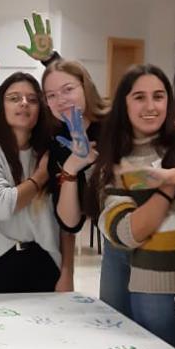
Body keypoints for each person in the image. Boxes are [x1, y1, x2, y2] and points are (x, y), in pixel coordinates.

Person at [90, 65, 175, 349]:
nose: (151, 106)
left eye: (159, 96)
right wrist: (172, 181)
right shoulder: (115, 164)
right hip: (155, 289)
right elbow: (127, 232)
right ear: (124, 104)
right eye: (139, 97)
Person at [0, 72, 61, 292]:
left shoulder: (48, 153)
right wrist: (39, 178)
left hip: (45, 261)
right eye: (14, 98)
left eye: (32, 99)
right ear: (1, 106)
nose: (24, 104)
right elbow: (1, 206)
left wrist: (67, 270)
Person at [43, 59, 108, 295]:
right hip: (114, 245)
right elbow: (69, 223)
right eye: (51, 95)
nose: (60, 100)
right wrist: (72, 166)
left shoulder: (113, 124)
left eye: (68, 90)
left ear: (85, 87)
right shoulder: (57, 140)